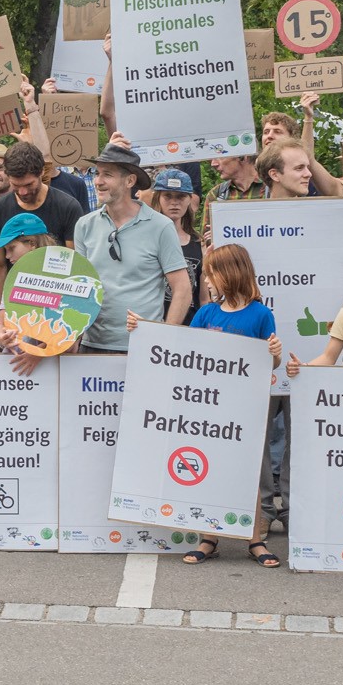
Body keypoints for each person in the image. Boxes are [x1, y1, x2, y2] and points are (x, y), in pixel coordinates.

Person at [167, 242, 282, 567]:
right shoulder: (206, 313)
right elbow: (187, 354)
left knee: (247, 472)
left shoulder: (261, 314)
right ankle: (209, 537)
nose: (206, 280)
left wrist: (274, 352)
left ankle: (254, 540)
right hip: (208, 409)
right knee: (210, 470)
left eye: (210, 274)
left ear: (229, 274)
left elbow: (271, 365)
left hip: (245, 409)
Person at [71, 143, 193, 353]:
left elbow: (182, 289)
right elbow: (78, 287)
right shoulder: (84, 225)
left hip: (142, 348)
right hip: (91, 347)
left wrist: (162, 338)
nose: (98, 181)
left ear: (130, 181)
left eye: (107, 175)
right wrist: (72, 337)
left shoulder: (160, 226)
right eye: (97, 174)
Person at [144, 168, 203, 297]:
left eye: (181, 196)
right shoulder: (145, 238)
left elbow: (204, 297)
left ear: (189, 199)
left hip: (192, 316)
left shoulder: (199, 243)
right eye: (168, 196)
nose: (174, 202)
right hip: (153, 316)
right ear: (158, 198)